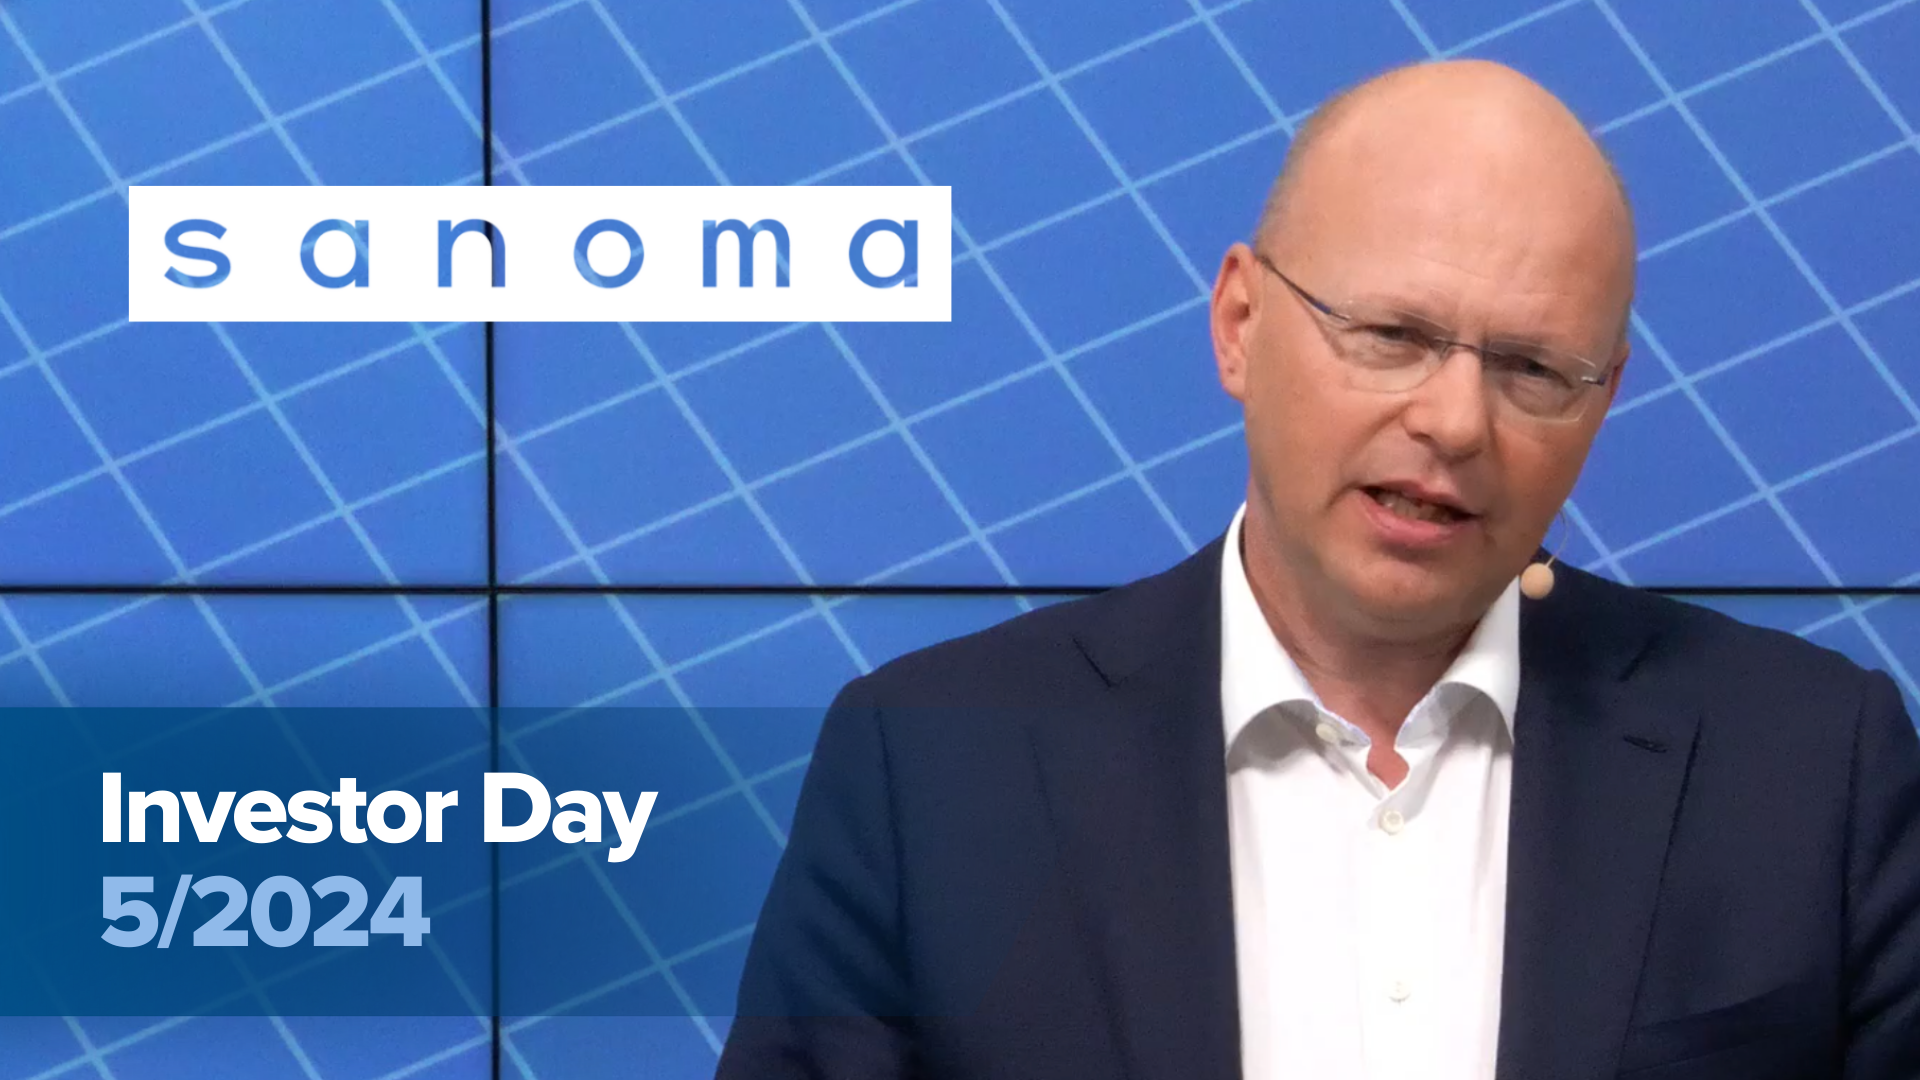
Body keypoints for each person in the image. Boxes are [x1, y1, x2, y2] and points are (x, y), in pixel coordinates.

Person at [717, 59, 1920, 1080]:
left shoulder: (1815, 767)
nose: (1456, 421)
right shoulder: (933, 765)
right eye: (1393, 336)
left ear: (1603, 401)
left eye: (1533, 370)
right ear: (1240, 325)